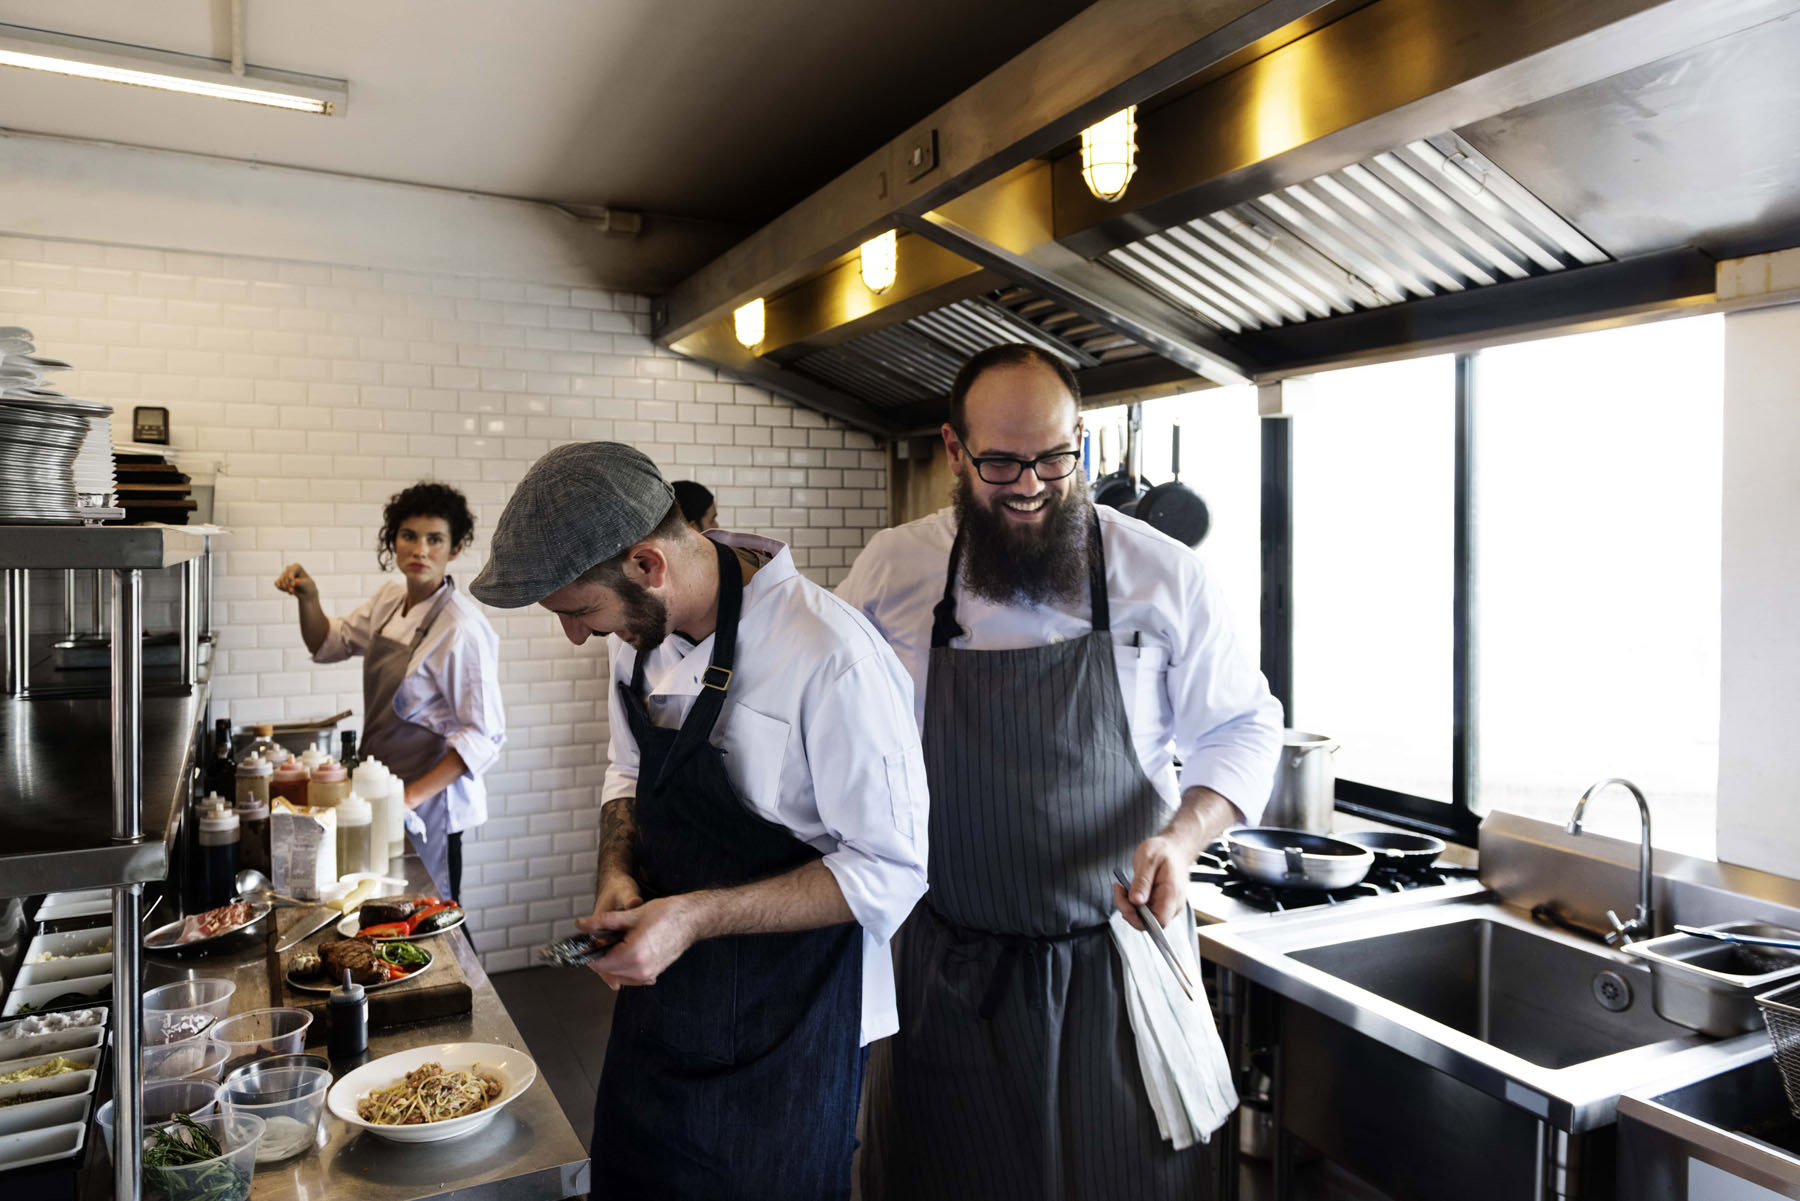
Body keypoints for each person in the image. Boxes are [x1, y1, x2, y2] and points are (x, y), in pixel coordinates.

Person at [839, 344, 1282, 1201]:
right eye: (1001, 462)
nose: (1032, 485)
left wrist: (1184, 839)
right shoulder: (893, 573)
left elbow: (1244, 724)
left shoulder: (1162, 572)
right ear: (954, 450)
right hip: (947, 977)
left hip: (1116, 975)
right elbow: (831, 735)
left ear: (1079, 439)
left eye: (1053, 458)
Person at [468, 442, 928, 1201]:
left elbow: (893, 868)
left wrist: (696, 917)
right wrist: (617, 868)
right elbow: (629, 772)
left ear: (649, 564)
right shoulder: (639, 637)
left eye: (581, 610)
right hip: (664, 1014)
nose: (577, 635)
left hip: (793, 1032)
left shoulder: (831, 655)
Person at [274, 482, 505, 902]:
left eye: (435, 539)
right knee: (386, 901)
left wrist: (408, 798)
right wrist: (309, 598)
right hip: (382, 788)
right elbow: (328, 643)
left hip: (430, 803)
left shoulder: (461, 628)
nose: (420, 550)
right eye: (409, 536)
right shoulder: (388, 601)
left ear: (454, 550)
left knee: (432, 912)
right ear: (394, 542)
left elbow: (483, 737)